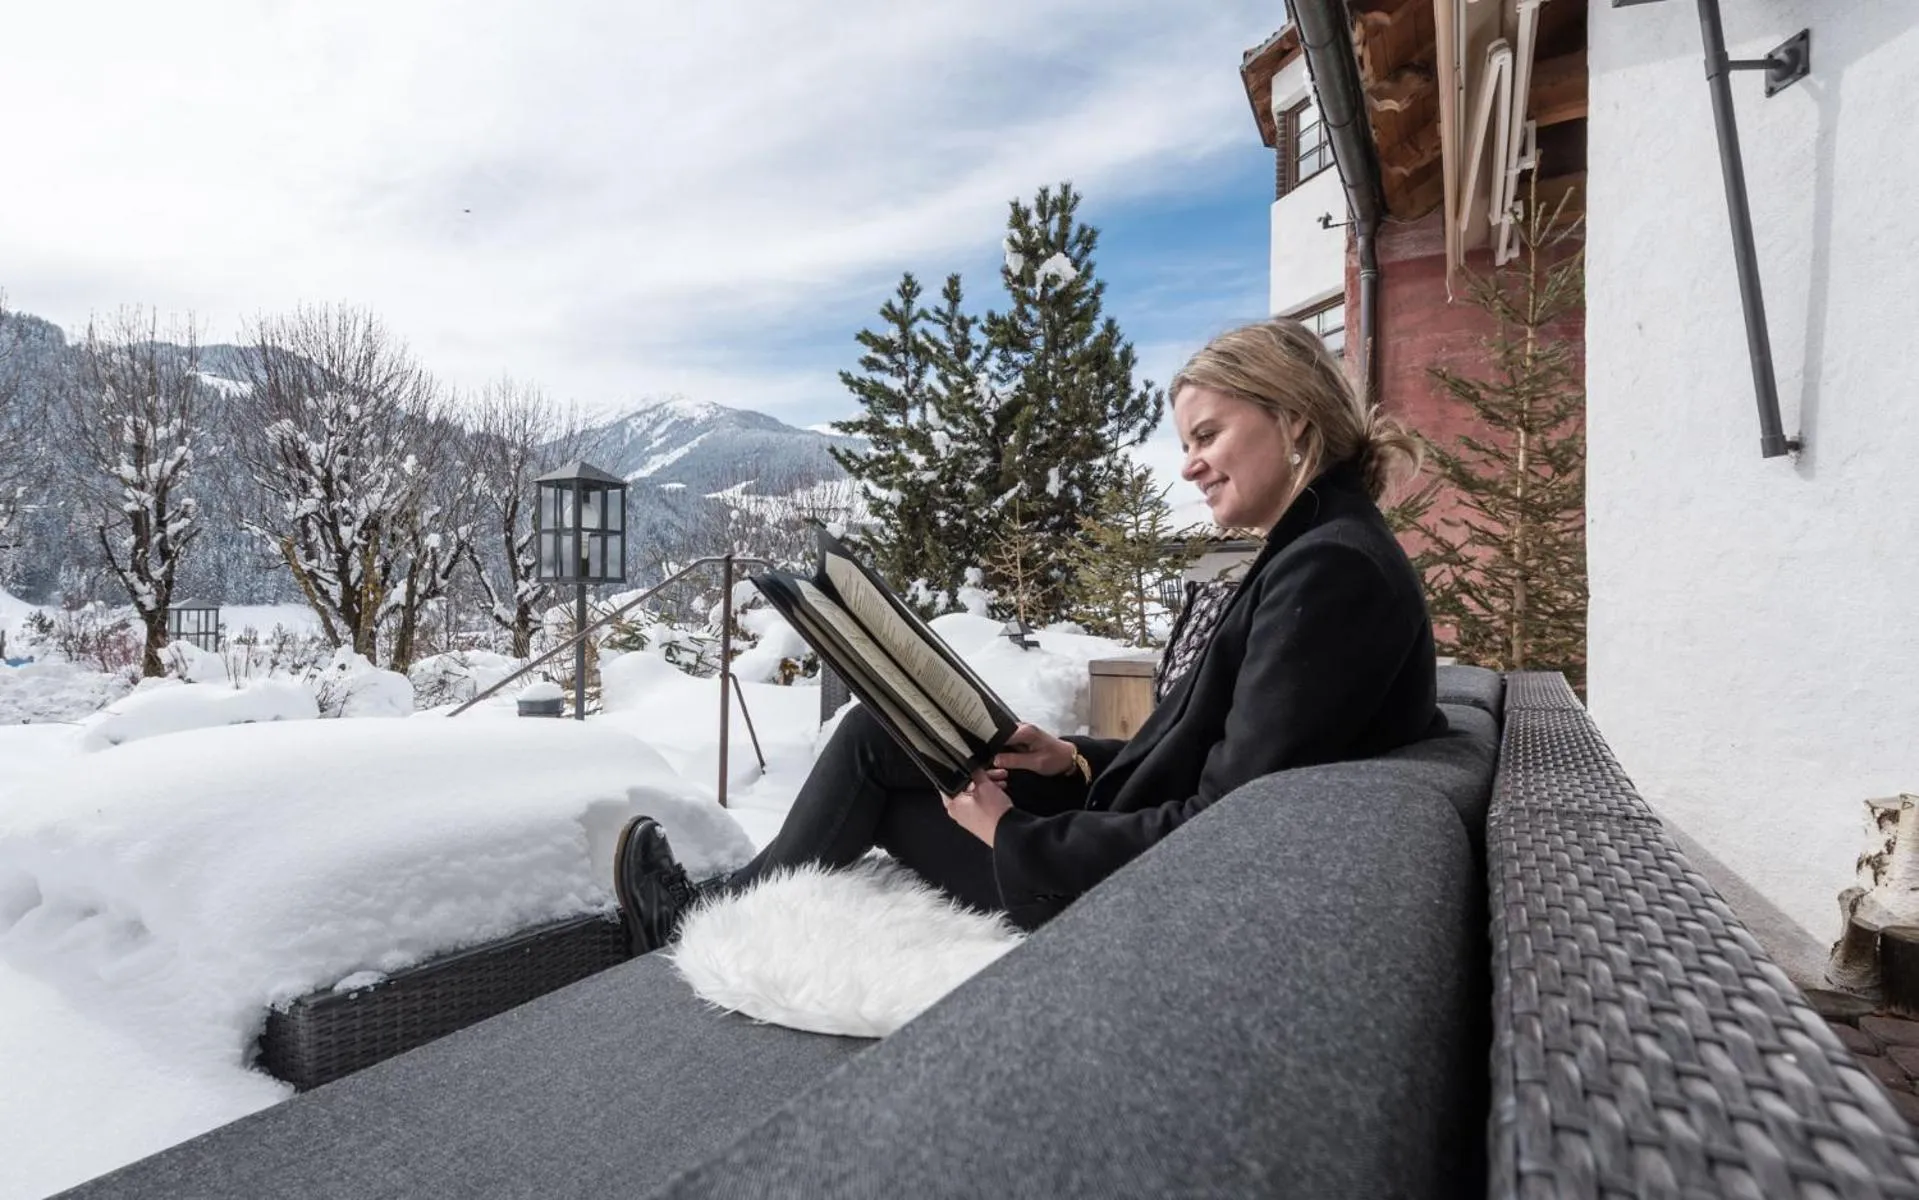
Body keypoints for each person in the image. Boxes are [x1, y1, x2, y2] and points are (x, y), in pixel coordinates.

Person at [613, 315, 1445, 951]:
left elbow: (1224, 823)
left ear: (1293, 420)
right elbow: (1210, 748)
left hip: (1139, 886)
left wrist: (1010, 833)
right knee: (879, 733)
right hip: (1126, 821)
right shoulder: (1294, 550)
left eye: (1206, 435)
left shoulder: (1328, 573)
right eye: (1185, 442)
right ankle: (724, 904)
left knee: (880, 774)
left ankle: (698, 921)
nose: (1188, 464)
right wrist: (1071, 759)